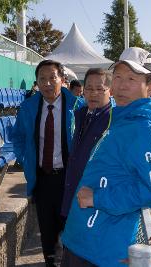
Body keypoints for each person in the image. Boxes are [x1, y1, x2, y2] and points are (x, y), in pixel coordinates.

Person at [61, 47, 151, 267]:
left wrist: (97, 198)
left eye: (131, 78)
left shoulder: (143, 128)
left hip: (99, 249)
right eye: (118, 77)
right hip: (84, 239)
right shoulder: (123, 117)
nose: (121, 85)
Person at [12, 59, 81, 266]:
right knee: (47, 230)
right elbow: (18, 137)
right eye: (42, 79)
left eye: (53, 78)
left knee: (71, 229)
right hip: (42, 179)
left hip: (69, 179)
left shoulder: (78, 106)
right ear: (37, 82)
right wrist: (26, 160)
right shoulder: (28, 107)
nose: (48, 83)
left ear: (63, 80)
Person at [61, 68, 113, 219]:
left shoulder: (114, 120)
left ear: (110, 91)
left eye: (100, 89)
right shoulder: (80, 115)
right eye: (89, 88)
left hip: (96, 205)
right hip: (74, 196)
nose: (93, 93)